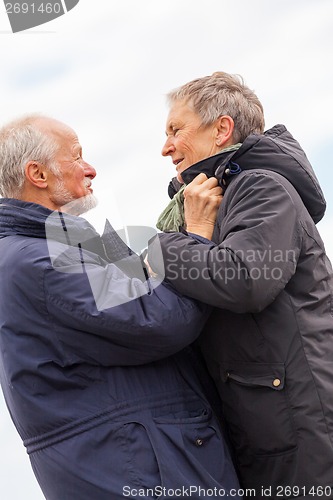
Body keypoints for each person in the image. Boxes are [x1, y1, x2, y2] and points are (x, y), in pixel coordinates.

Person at [0, 114, 242, 500]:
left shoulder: (76, 237)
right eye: (76, 157)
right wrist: (195, 235)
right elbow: (159, 318)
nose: (90, 169)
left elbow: (152, 282)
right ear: (38, 175)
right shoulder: (36, 260)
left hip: (160, 460)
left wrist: (174, 247)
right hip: (143, 473)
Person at [148, 72, 333, 498]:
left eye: (176, 130)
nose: (165, 147)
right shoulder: (215, 200)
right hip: (268, 427)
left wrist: (164, 246)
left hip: (301, 428)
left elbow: (244, 280)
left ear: (222, 129)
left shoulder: (260, 186)